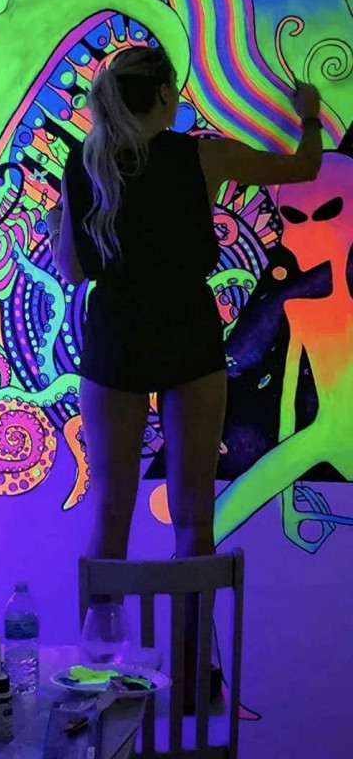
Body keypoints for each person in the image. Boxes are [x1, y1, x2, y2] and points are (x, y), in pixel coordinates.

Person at [47, 46, 321, 703]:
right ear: (167, 97)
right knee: (195, 516)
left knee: (109, 515)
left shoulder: (87, 161)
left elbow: (74, 271)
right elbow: (304, 166)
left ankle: (100, 673)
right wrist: (309, 114)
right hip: (188, 335)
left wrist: (60, 219)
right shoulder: (203, 156)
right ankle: (194, 675)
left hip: (114, 341)